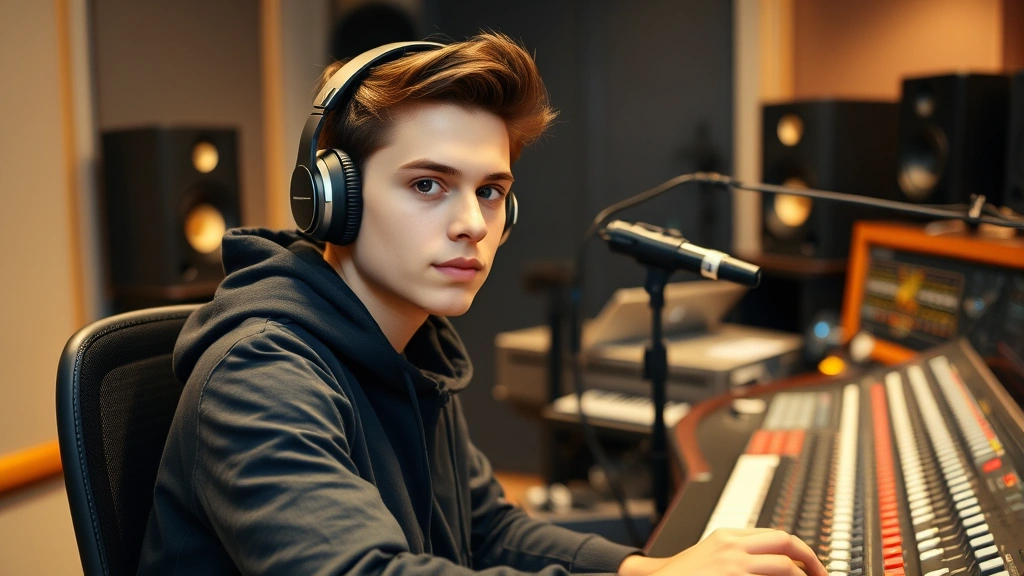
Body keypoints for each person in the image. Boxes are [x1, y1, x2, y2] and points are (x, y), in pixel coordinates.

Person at [138, 32, 827, 576]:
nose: (472, 222)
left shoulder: (413, 347)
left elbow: (488, 530)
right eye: (429, 185)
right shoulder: (259, 376)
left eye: (491, 190)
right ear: (330, 201)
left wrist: (642, 570)